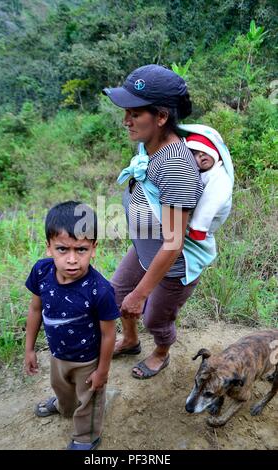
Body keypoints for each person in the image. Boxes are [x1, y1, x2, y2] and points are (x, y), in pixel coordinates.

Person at [103, 64, 203, 379]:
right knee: (117, 293)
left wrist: (142, 293)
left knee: (154, 319)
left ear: (161, 117)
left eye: (135, 113)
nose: (126, 120)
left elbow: (174, 244)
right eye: (126, 112)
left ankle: (161, 352)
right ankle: (131, 341)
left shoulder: (175, 167)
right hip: (146, 248)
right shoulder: (150, 145)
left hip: (172, 263)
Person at [24, 201, 120, 450]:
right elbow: (35, 309)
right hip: (58, 354)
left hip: (88, 360)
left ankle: (86, 437)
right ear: (48, 248)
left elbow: (109, 335)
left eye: (81, 249)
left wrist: (102, 371)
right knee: (62, 390)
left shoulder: (100, 290)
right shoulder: (41, 273)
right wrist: (29, 348)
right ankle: (63, 406)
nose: (72, 259)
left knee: (90, 399)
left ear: (94, 248)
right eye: (62, 249)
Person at [185, 133, 233, 241]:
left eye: (204, 150)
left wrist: (197, 229)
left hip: (203, 227)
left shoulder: (220, 177)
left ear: (214, 152)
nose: (201, 154)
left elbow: (209, 204)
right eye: (195, 153)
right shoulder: (201, 173)